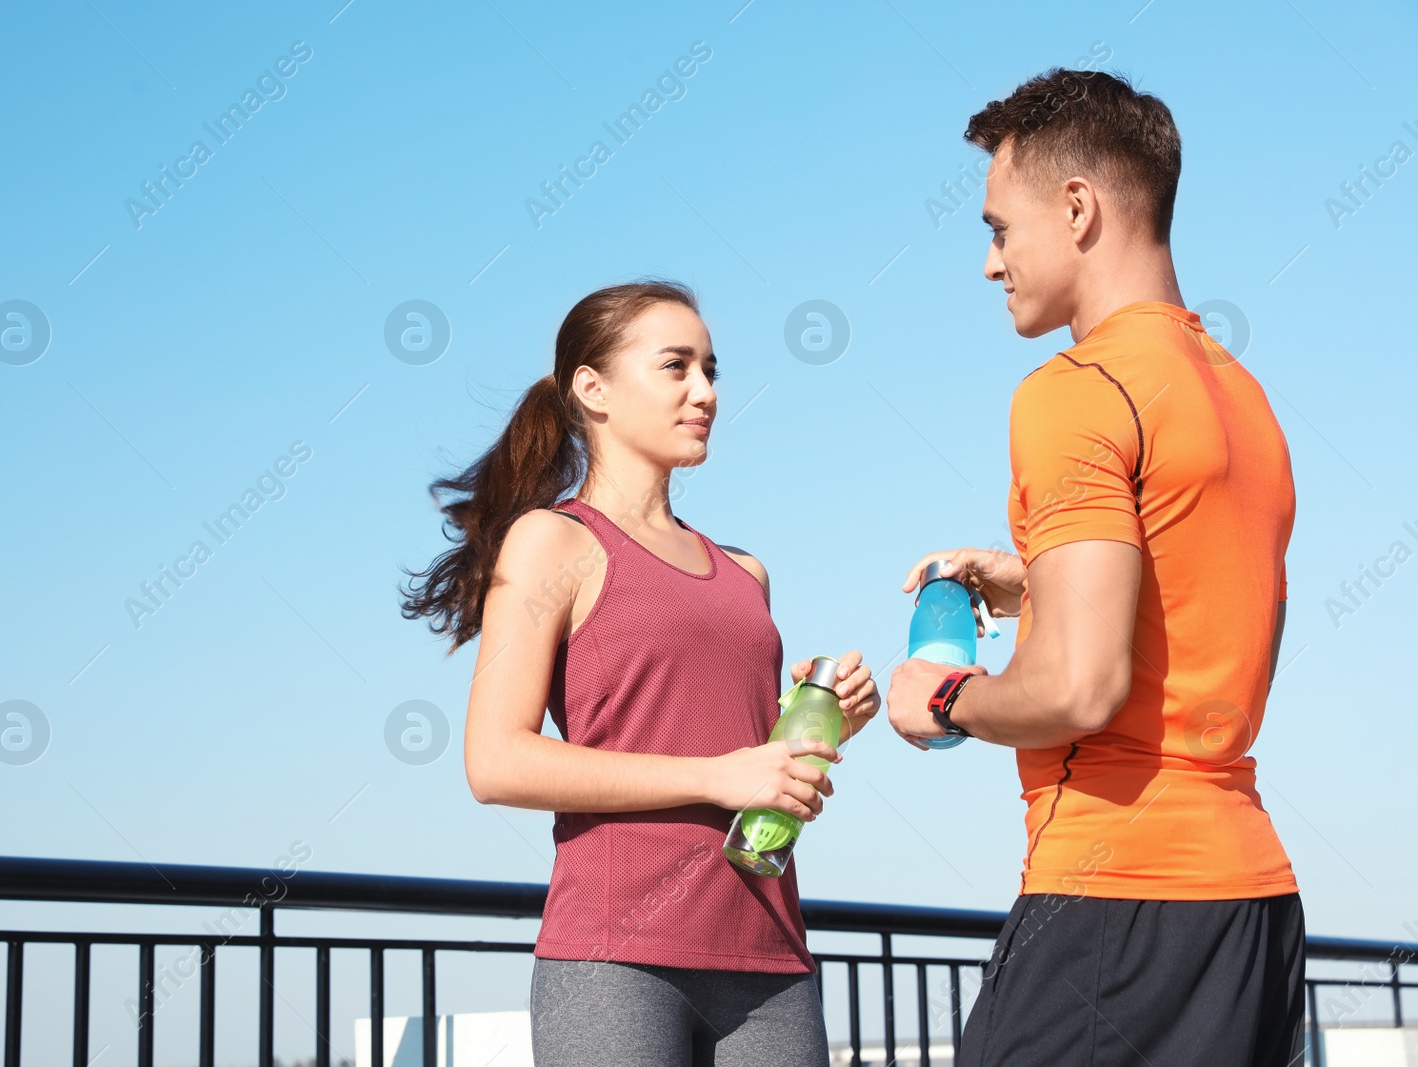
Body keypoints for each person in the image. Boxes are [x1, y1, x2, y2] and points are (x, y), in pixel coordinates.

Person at [884, 69, 1304, 1065]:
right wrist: (1036, 582)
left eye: (997, 228)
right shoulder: (1244, 398)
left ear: (1076, 209)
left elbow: (1080, 685)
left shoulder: (1071, 390)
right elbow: (1202, 602)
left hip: (1113, 902)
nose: (991, 264)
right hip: (1249, 905)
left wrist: (943, 694)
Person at [400, 279, 882, 1067]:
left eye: (712, 369)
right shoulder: (551, 543)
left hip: (770, 955)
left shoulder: (745, 571)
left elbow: (742, 758)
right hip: (616, 958)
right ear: (593, 389)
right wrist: (722, 775)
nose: (706, 392)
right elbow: (495, 761)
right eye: (676, 367)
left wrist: (823, 718)